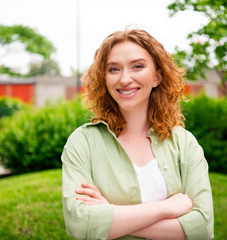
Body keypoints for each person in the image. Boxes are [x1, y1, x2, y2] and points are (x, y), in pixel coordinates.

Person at [61, 29, 214, 240]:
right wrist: (166, 208)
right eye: (114, 69)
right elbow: (80, 225)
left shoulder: (184, 143)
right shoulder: (83, 142)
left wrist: (109, 214)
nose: (125, 79)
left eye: (138, 66)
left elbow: (202, 229)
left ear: (157, 76)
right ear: (104, 78)